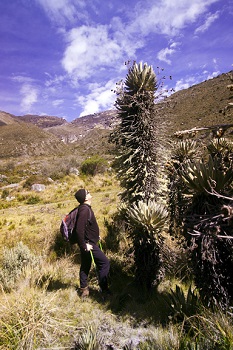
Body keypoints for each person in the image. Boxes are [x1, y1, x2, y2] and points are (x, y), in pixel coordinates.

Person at [74, 188, 110, 299]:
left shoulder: (85, 208)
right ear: (85, 198)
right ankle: (104, 290)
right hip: (89, 245)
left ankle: (84, 290)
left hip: (89, 242)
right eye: (88, 193)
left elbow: (87, 226)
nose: (90, 194)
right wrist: (84, 245)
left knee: (85, 265)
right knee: (104, 263)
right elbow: (79, 230)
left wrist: (95, 236)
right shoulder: (84, 210)